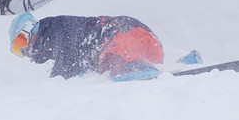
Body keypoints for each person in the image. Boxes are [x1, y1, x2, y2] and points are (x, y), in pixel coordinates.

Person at [9, 12, 164, 79]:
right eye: (17, 49)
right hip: (145, 44)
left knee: (111, 57)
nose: (23, 49)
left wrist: (53, 86)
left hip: (126, 31)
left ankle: (141, 68)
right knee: (107, 65)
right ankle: (180, 62)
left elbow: (66, 62)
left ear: (32, 30)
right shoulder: (52, 38)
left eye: (21, 41)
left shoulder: (55, 27)